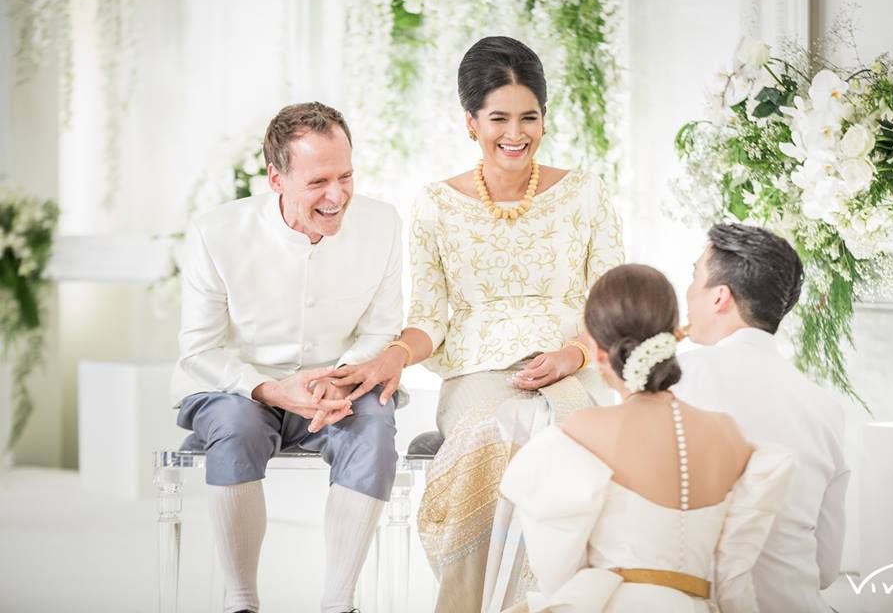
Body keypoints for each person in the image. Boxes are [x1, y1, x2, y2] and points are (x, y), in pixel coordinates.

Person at [329, 36, 624, 612]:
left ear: (544, 118)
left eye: (529, 117)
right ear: (471, 122)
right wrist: (393, 356)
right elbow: (428, 320)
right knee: (503, 426)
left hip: (574, 368)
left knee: (558, 430)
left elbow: (612, 307)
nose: (515, 133)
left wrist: (572, 356)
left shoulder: (586, 194)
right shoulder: (435, 205)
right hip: (478, 378)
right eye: (498, 119)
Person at [170, 102, 403, 613]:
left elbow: (382, 329)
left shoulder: (383, 223)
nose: (337, 195)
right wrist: (272, 390)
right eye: (318, 182)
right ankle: (240, 600)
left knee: (374, 425)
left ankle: (339, 602)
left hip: (339, 384)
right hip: (239, 388)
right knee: (236, 427)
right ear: (276, 179)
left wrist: (338, 379)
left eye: (345, 176)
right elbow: (200, 349)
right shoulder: (215, 233)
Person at [500, 264, 796, 612]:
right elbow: (733, 579)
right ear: (671, 337)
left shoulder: (581, 432)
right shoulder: (728, 434)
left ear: (597, 352)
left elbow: (555, 572)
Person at [674, 222, 849, 612]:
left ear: (720, 297)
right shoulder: (826, 409)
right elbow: (825, 569)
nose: (687, 292)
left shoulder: (677, 379)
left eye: (694, 276)